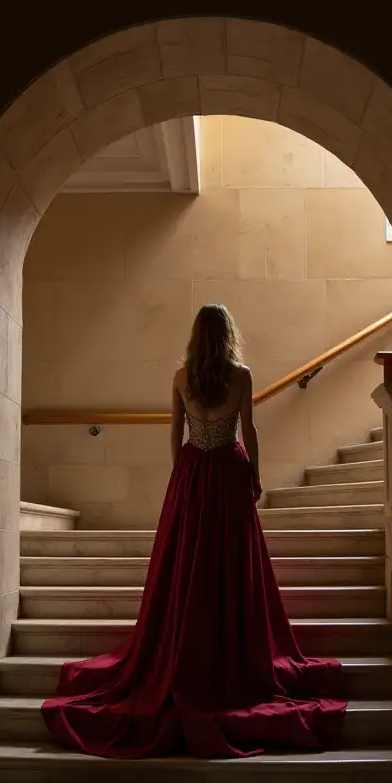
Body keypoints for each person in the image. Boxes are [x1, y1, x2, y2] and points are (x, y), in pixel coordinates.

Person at [41, 303, 347, 757]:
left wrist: (180, 476)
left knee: (187, 562)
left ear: (195, 336)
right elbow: (250, 429)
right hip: (227, 470)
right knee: (227, 562)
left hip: (191, 472)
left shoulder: (182, 377)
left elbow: (175, 432)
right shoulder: (240, 374)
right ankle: (230, 645)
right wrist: (255, 476)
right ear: (227, 334)